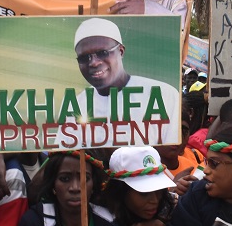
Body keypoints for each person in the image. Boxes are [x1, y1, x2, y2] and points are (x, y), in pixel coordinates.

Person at [72, 17, 180, 145]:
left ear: (121, 51)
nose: (94, 63)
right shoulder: (75, 105)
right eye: (84, 58)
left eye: (103, 53)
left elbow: (172, 151)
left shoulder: (165, 94)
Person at [101, 146, 177, 226]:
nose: (154, 200)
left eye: (159, 191)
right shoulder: (101, 225)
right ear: (120, 190)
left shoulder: (172, 210)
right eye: (144, 193)